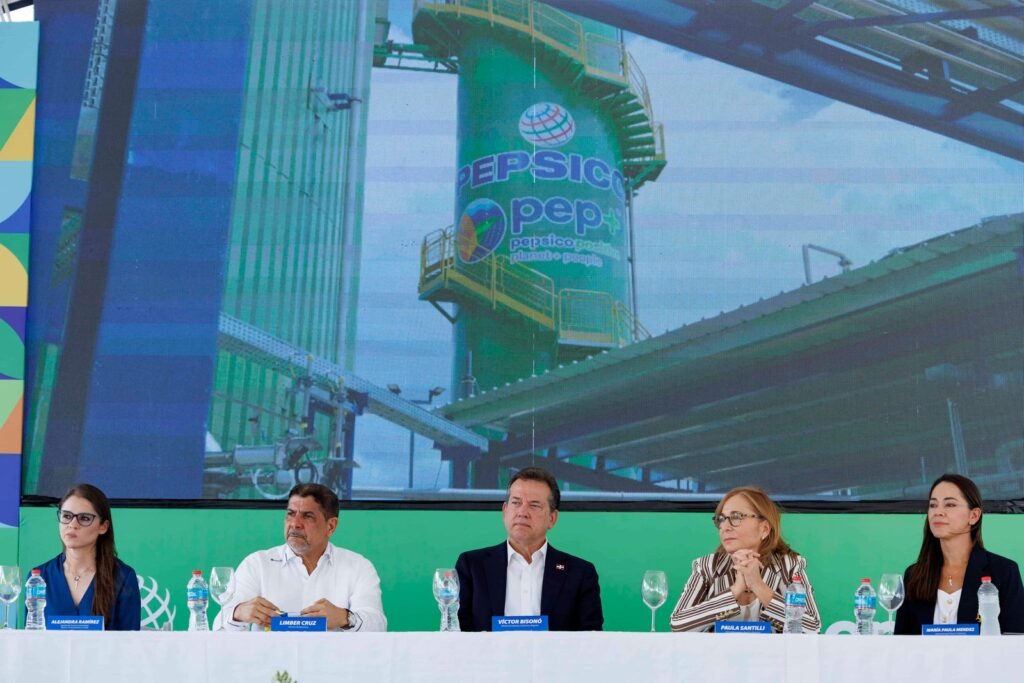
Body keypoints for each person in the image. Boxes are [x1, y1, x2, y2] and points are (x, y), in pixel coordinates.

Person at [213, 483, 386, 631]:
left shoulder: (358, 566)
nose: (295, 523)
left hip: (334, 659)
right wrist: (238, 613)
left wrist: (344, 617)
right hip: (271, 660)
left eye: (307, 516)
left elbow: (377, 625)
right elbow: (219, 627)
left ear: (331, 526)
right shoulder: (257, 564)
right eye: (290, 514)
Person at [455, 467, 603, 631]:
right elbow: (458, 632)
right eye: (516, 503)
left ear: (552, 518)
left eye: (534, 505)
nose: (522, 512)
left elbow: (591, 638)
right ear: (505, 511)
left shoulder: (580, 573)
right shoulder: (472, 566)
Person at [669, 485, 820, 633]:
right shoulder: (707, 566)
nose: (725, 527)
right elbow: (678, 624)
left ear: (764, 529)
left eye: (736, 517)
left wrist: (758, 585)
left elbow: (812, 628)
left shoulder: (789, 566)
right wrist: (735, 589)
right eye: (721, 519)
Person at [894, 473, 1024, 634]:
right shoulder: (914, 575)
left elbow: (1016, 637)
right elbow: (901, 641)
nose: (938, 512)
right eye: (933, 505)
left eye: (949, 505)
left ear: (974, 516)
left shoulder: (1004, 571)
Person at [32, 483, 141, 630]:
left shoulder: (123, 577)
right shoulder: (39, 577)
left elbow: (130, 640)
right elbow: (31, 637)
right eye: (66, 516)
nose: (72, 524)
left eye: (84, 518)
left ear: (103, 527)